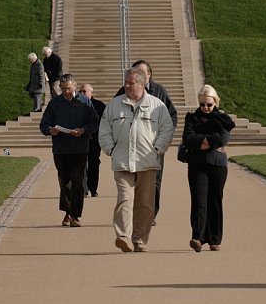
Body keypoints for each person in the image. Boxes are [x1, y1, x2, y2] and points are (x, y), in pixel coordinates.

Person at [99, 67, 174, 252]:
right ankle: (123, 236)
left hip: (147, 161)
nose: (126, 86)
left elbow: (167, 129)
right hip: (122, 160)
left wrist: (158, 149)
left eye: (130, 83)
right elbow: (104, 129)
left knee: (145, 204)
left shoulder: (157, 106)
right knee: (125, 198)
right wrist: (110, 149)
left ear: (141, 84)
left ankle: (140, 239)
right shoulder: (114, 105)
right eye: (125, 82)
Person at [113, 59, 177, 222]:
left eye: (142, 73)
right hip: (129, 146)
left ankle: (150, 214)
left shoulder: (159, 91)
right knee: (129, 182)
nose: (139, 76)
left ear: (149, 75)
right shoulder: (123, 91)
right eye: (136, 72)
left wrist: (162, 140)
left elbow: (172, 116)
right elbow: (111, 115)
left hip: (152, 147)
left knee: (153, 182)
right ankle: (133, 213)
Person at [39, 74, 97, 228]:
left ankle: (75, 216)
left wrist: (83, 130)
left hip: (79, 148)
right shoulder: (54, 103)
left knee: (77, 181)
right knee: (65, 182)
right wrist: (50, 130)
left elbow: (94, 124)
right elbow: (43, 125)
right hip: (61, 149)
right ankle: (67, 212)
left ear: (75, 87)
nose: (66, 92)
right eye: (63, 89)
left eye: (69, 89)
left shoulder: (85, 102)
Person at [182, 84, 235, 252]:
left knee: (214, 200)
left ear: (215, 103)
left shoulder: (223, 119)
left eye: (209, 104)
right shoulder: (192, 118)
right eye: (203, 104)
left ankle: (215, 239)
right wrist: (208, 142)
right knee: (199, 200)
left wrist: (202, 141)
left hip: (217, 165)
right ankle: (197, 237)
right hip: (197, 164)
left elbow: (223, 138)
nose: (205, 108)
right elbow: (188, 139)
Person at [77, 82, 107, 197]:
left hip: (94, 140)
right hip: (80, 140)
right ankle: (84, 189)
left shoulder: (99, 106)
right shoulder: (76, 104)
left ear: (91, 92)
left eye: (84, 91)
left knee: (94, 164)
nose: (82, 93)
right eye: (81, 91)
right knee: (81, 164)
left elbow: (104, 123)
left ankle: (93, 189)